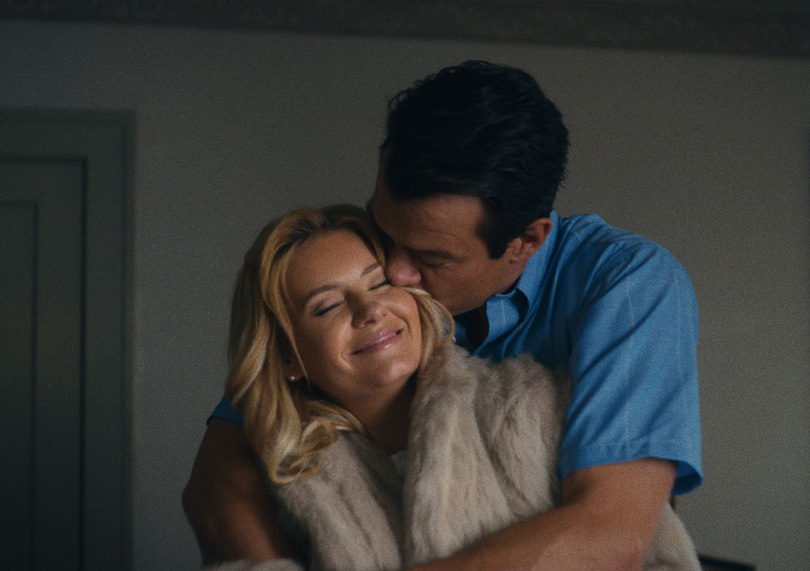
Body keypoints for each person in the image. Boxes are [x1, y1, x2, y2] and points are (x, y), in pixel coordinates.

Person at [184, 60, 702, 570]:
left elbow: (609, 536)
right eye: (386, 233)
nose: (395, 273)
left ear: (527, 241)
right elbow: (220, 476)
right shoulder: (357, 324)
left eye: (431, 258)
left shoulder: (628, 286)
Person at [208, 204, 700, 571]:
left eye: (378, 284)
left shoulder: (534, 405)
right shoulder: (283, 483)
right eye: (326, 306)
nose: (370, 309)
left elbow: (644, 551)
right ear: (289, 357)